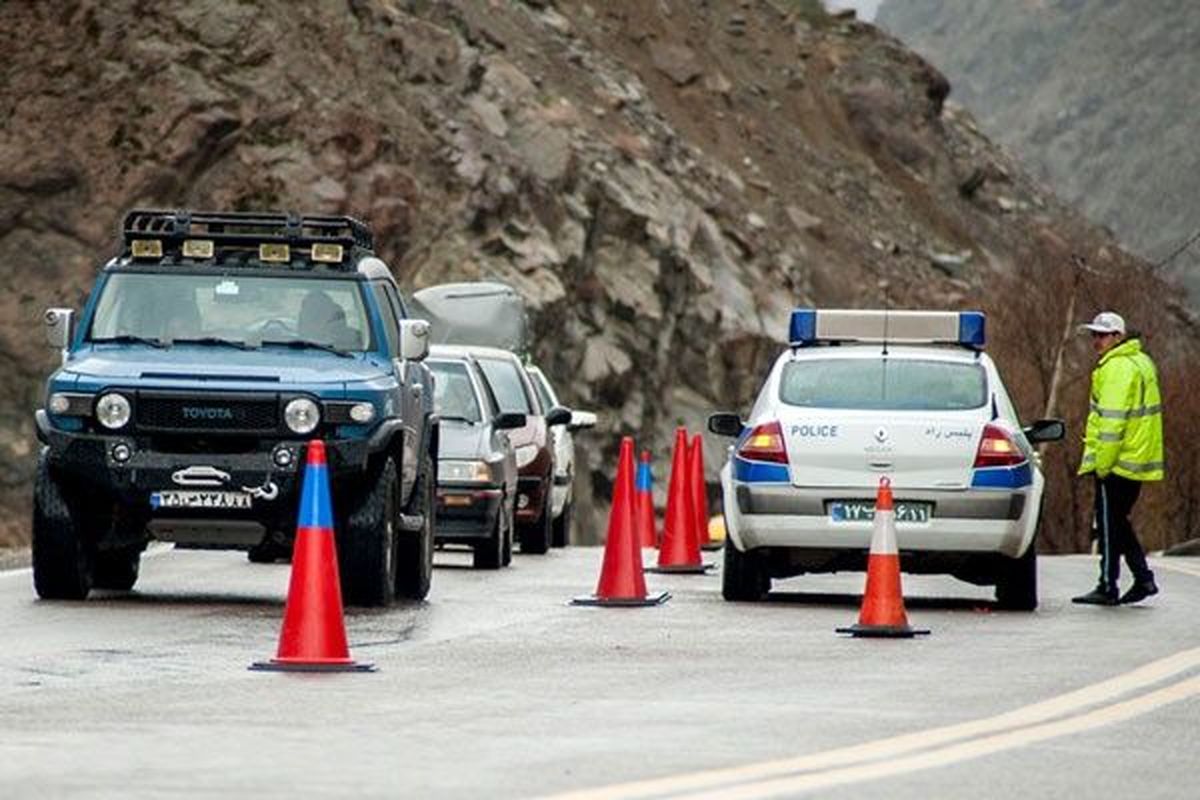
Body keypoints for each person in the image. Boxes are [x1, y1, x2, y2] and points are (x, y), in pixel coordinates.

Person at [1072, 311, 1164, 606]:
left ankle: (1108, 585)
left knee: (1110, 524)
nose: (1096, 341)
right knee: (1117, 522)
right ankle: (1143, 578)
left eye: (1102, 335)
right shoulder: (1142, 362)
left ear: (1118, 337)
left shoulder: (1116, 368)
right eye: (1094, 335)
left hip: (1117, 460)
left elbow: (1112, 422)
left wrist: (1102, 464)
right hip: (1137, 457)